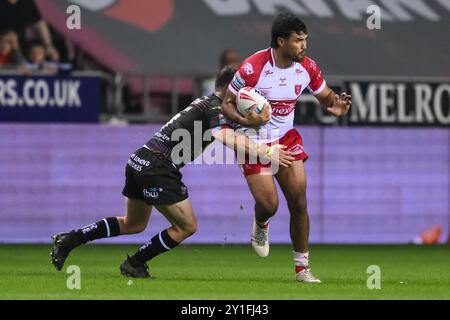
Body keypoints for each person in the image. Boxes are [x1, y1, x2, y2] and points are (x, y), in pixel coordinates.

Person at [50, 66, 294, 278]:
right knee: (186, 226)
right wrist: (266, 149)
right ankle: (134, 263)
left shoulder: (207, 103)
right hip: (158, 166)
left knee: (133, 224)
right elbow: (224, 135)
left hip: (140, 159)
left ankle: (71, 239)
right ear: (232, 89)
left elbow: (225, 127)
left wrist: (248, 122)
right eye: (243, 87)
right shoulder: (216, 107)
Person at [221, 13, 352, 283]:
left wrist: (334, 107)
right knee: (270, 205)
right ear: (281, 41)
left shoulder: (308, 68)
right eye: (298, 41)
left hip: (286, 139)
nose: (304, 45)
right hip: (253, 141)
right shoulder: (252, 68)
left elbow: (326, 98)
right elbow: (226, 104)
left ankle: (302, 269)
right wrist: (246, 120)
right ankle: (261, 222)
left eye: (305, 40)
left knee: (299, 202)